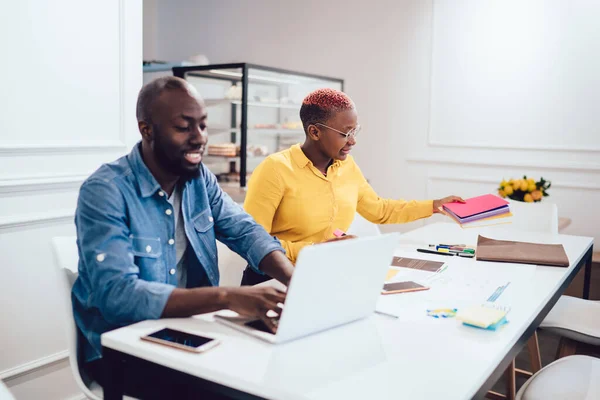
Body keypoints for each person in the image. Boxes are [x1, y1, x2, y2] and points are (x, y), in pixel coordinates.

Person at [71, 76, 294, 396]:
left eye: (203, 125)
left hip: (189, 328)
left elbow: (243, 230)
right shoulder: (105, 191)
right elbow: (118, 296)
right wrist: (229, 297)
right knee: (249, 391)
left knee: (277, 371)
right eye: (184, 127)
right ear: (146, 129)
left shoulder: (198, 178)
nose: (199, 137)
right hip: (122, 347)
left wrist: (292, 276)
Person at [242, 88, 463, 285]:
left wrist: (435, 205)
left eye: (355, 131)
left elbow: (380, 210)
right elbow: (253, 242)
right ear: (314, 132)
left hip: (325, 273)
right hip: (272, 281)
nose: (353, 141)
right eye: (345, 133)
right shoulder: (275, 169)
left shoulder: (347, 167)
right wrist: (315, 250)